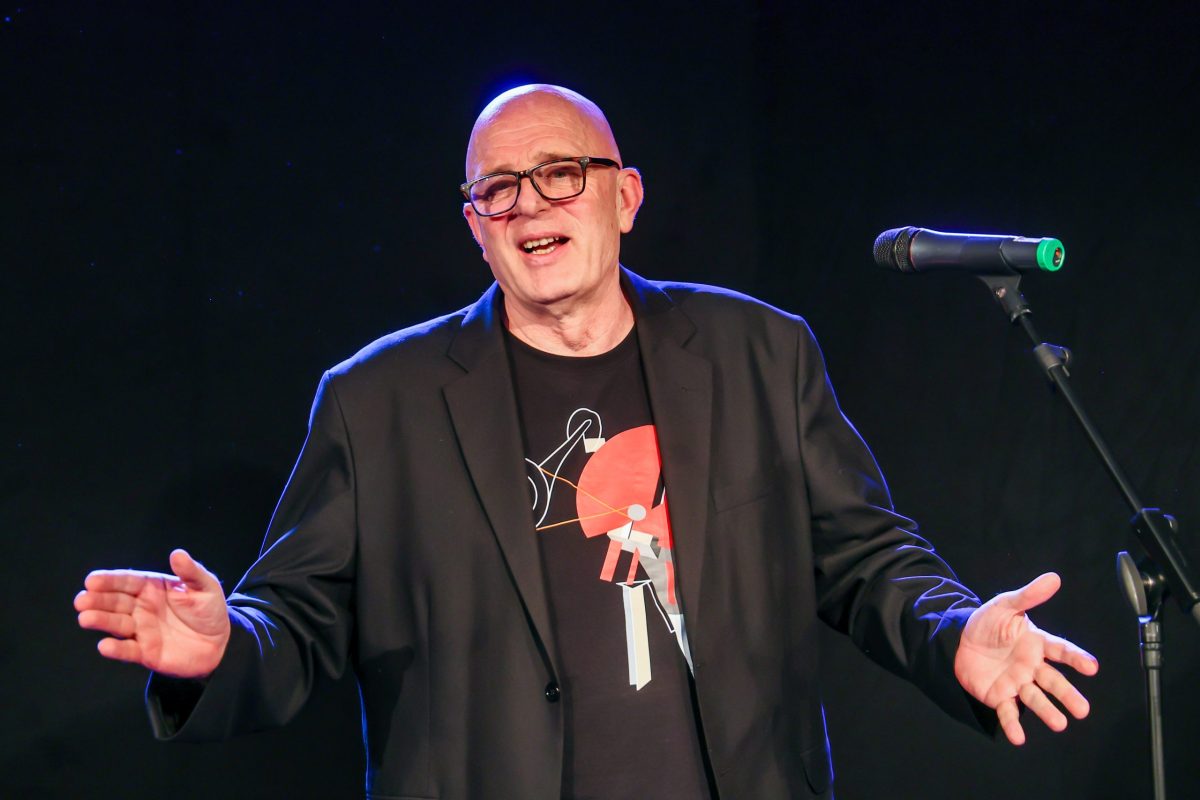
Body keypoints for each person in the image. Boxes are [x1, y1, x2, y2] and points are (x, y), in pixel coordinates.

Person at [75, 84, 1099, 799]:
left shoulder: (758, 352)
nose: (529, 204)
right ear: (476, 227)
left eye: (561, 173)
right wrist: (220, 650)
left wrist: (953, 633)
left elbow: (866, 557)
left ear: (625, 195)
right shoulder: (377, 400)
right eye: (498, 189)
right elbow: (296, 616)